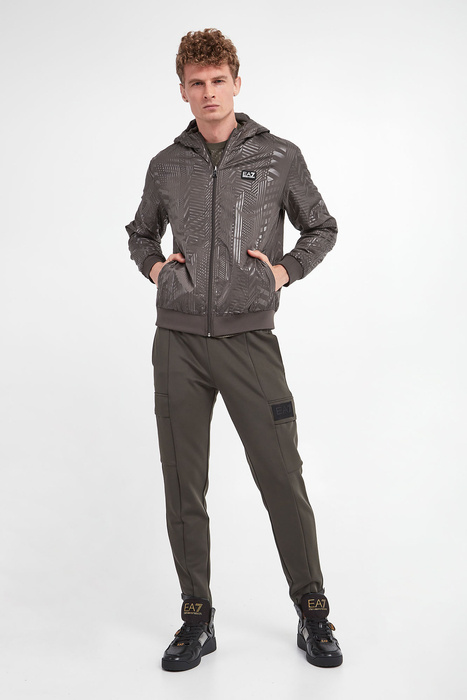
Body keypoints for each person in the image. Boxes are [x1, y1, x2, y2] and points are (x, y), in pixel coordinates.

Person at [125, 28, 343, 672]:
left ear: (237, 83)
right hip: (178, 345)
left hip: (250, 341)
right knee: (183, 485)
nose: (209, 93)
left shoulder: (278, 156)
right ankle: (197, 616)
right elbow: (140, 233)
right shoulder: (167, 165)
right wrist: (157, 270)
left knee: (282, 478)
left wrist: (283, 272)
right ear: (183, 91)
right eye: (197, 83)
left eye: (219, 80)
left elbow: (321, 226)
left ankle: (313, 610)